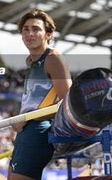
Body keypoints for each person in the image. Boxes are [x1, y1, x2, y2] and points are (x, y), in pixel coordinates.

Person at [8, 9, 72, 180]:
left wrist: (27, 117)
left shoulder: (53, 59)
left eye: (36, 29)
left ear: (48, 34)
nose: (30, 33)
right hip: (26, 130)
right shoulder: (30, 62)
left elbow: (68, 104)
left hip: (40, 130)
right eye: (25, 29)